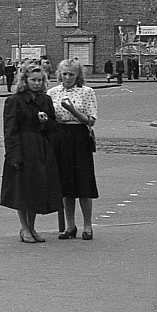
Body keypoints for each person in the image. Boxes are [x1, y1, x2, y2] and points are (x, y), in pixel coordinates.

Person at [0, 63, 62, 243]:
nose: (37, 83)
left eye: (40, 80)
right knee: (22, 190)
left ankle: (32, 227)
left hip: (41, 148)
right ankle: (24, 228)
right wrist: (13, 155)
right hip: (23, 147)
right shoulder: (14, 101)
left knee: (36, 189)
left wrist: (45, 122)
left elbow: (53, 128)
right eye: (33, 80)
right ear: (25, 81)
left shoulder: (45, 100)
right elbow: (10, 130)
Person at [48, 59, 100, 240]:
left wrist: (72, 110)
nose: (68, 77)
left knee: (83, 182)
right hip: (60, 136)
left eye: (72, 74)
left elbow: (91, 120)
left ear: (78, 75)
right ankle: (70, 226)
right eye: (64, 74)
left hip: (79, 135)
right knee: (66, 184)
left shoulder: (87, 92)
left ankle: (87, 225)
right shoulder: (53, 92)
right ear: (59, 74)